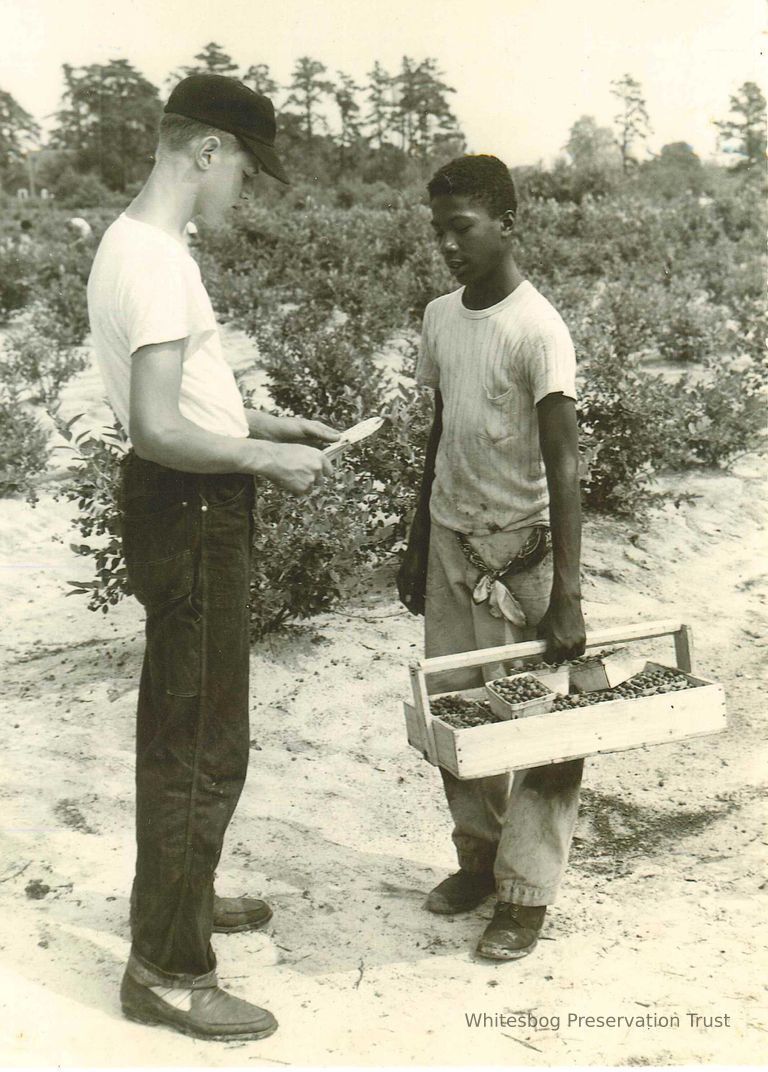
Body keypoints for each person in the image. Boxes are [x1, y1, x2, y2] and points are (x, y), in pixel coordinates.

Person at [87, 74, 339, 1041]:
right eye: (243, 165)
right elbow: (155, 427)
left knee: (184, 725)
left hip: (182, 501)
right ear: (206, 153)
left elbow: (183, 403)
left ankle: (183, 902)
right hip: (191, 506)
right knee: (202, 746)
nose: (245, 185)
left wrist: (271, 421)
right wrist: (260, 458)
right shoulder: (156, 262)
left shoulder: (132, 244)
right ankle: (167, 970)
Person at [397, 154, 586, 962]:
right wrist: (416, 541)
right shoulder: (441, 317)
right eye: (437, 229)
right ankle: (478, 860)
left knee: (544, 727)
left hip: (527, 555)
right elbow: (442, 430)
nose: (446, 244)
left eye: (462, 228)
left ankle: (527, 895)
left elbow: (565, 465)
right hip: (450, 540)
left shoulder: (538, 329)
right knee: (457, 713)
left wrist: (568, 593)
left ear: (508, 225)